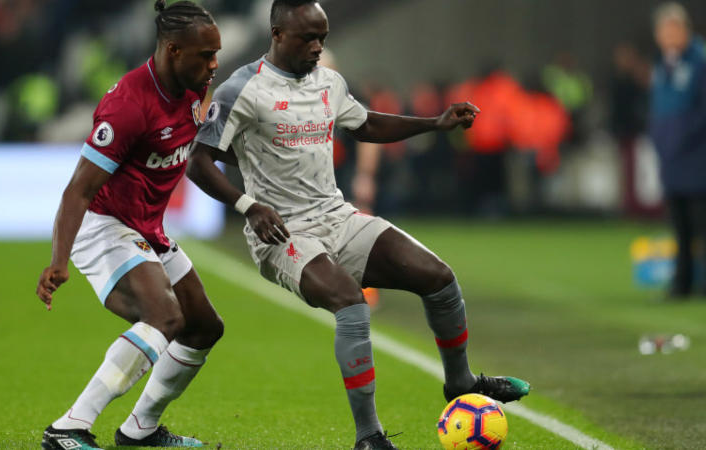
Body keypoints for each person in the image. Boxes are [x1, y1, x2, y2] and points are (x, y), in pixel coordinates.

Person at [186, 1, 530, 449]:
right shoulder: (242, 88)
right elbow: (198, 162)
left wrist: (435, 123)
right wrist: (250, 206)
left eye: (322, 38)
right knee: (352, 303)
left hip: (336, 216)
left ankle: (461, 382)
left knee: (439, 278)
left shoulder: (328, 82)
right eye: (308, 38)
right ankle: (369, 436)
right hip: (282, 233)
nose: (317, 47)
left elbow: (365, 125)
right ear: (277, 34)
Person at [34, 2, 223, 449]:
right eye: (205, 55)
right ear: (173, 50)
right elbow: (77, 191)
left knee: (203, 327)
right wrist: (59, 261)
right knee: (164, 316)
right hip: (103, 223)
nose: (214, 64)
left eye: (216, 53)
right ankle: (68, 428)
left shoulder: (196, 87)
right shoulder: (129, 106)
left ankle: (141, 430)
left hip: (146, 227)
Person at [649, 2, 706, 298]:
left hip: (697, 157)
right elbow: (658, 109)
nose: (668, 36)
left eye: (673, 29)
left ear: (685, 30)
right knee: (680, 225)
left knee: (701, 223)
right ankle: (682, 283)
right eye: (663, 30)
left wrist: (680, 135)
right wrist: (660, 139)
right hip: (672, 159)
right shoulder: (662, 66)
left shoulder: (700, 61)